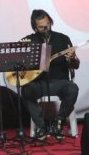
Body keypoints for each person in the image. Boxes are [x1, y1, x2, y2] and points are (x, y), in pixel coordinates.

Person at [19, 9, 79, 139]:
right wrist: (21, 68)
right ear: (35, 27)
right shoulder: (28, 40)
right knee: (26, 91)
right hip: (37, 83)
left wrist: (73, 58)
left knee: (73, 89)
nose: (45, 28)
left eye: (47, 24)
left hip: (60, 82)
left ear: (50, 21)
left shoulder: (63, 38)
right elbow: (18, 63)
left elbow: (76, 65)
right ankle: (41, 126)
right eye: (41, 27)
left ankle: (59, 121)